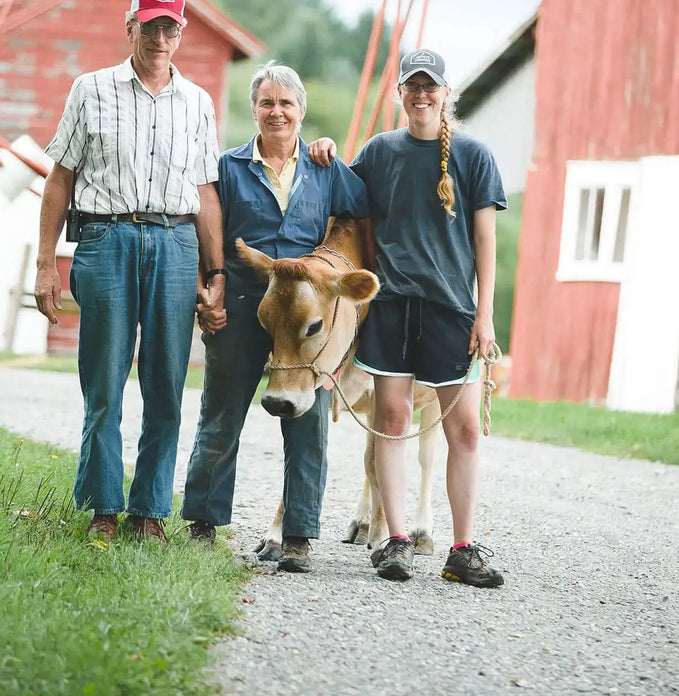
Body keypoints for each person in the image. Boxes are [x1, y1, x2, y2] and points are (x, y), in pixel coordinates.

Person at [34, 0, 226, 545]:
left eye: (171, 27)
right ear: (131, 26)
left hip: (174, 243)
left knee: (166, 384)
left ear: (181, 32)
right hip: (106, 241)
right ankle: (101, 508)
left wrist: (214, 274)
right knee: (104, 382)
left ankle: (148, 512)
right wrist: (47, 264)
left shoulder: (198, 103)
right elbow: (59, 179)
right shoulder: (89, 90)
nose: (161, 36)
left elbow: (206, 191)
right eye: (151, 26)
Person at [183, 61, 368, 573]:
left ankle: (298, 536)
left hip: (308, 311)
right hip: (246, 305)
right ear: (254, 110)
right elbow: (209, 232)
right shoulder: (228, 167)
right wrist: (209, 287)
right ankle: (202, 522)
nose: (277, 112)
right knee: (221, 414)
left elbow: (363, 209)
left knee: (308, 424)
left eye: (286, 103)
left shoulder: (324, 169)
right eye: (267, 103)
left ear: (301, 111)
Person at [348, 48, 507, 587]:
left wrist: (484, 317)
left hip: (452, 310)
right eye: (412, 86)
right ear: (400, 93)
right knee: (391, 421)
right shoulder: (378, 152)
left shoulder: (473, 156)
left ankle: (461, 550)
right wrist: (321, 152)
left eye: (430, 86)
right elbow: (342, 199)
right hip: (392, 306)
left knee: (463, 431)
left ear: (446, 94)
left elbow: (486, 241)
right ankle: (395, 541)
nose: (421, 95)